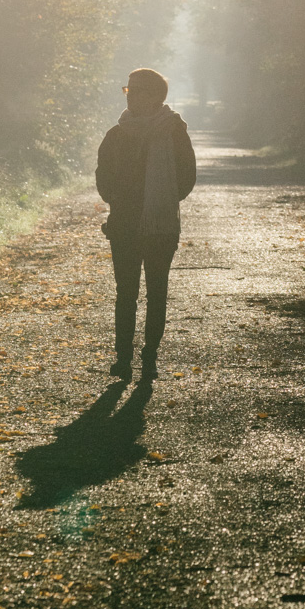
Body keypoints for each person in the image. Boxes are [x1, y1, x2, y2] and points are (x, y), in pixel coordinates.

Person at [95, 68, 196, 381]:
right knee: (126, 293)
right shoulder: (116, 134)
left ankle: (149, 357)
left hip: (160, 226)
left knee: (157, 292)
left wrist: (161, 202)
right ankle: (123, 360)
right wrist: (119, 201)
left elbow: (187, 176)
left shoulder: (174, 132)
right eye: (129, 90)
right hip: (124, 224)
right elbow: (102, 176)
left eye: (139, 90)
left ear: (156, 96)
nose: (132, 96)